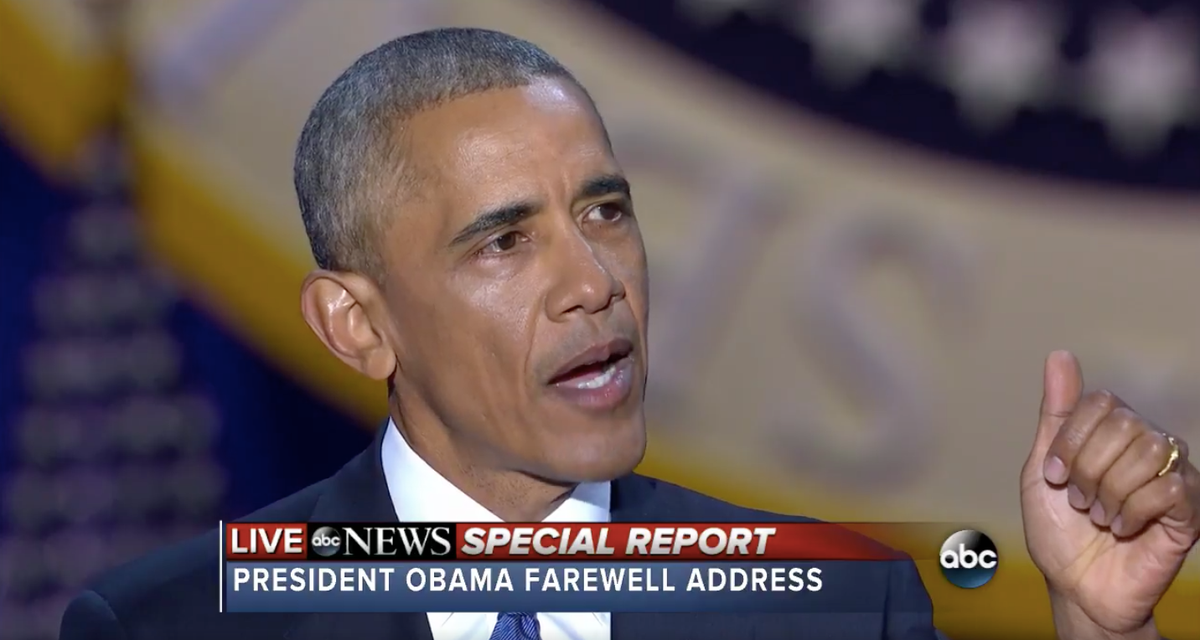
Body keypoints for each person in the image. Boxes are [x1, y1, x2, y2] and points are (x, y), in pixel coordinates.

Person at [60, 28, 1199, 640]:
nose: (594, 280)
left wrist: (1103, 629)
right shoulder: (172, 623)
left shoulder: (844, 608)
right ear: (358, 325)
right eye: (504, 242)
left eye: (605, 211)